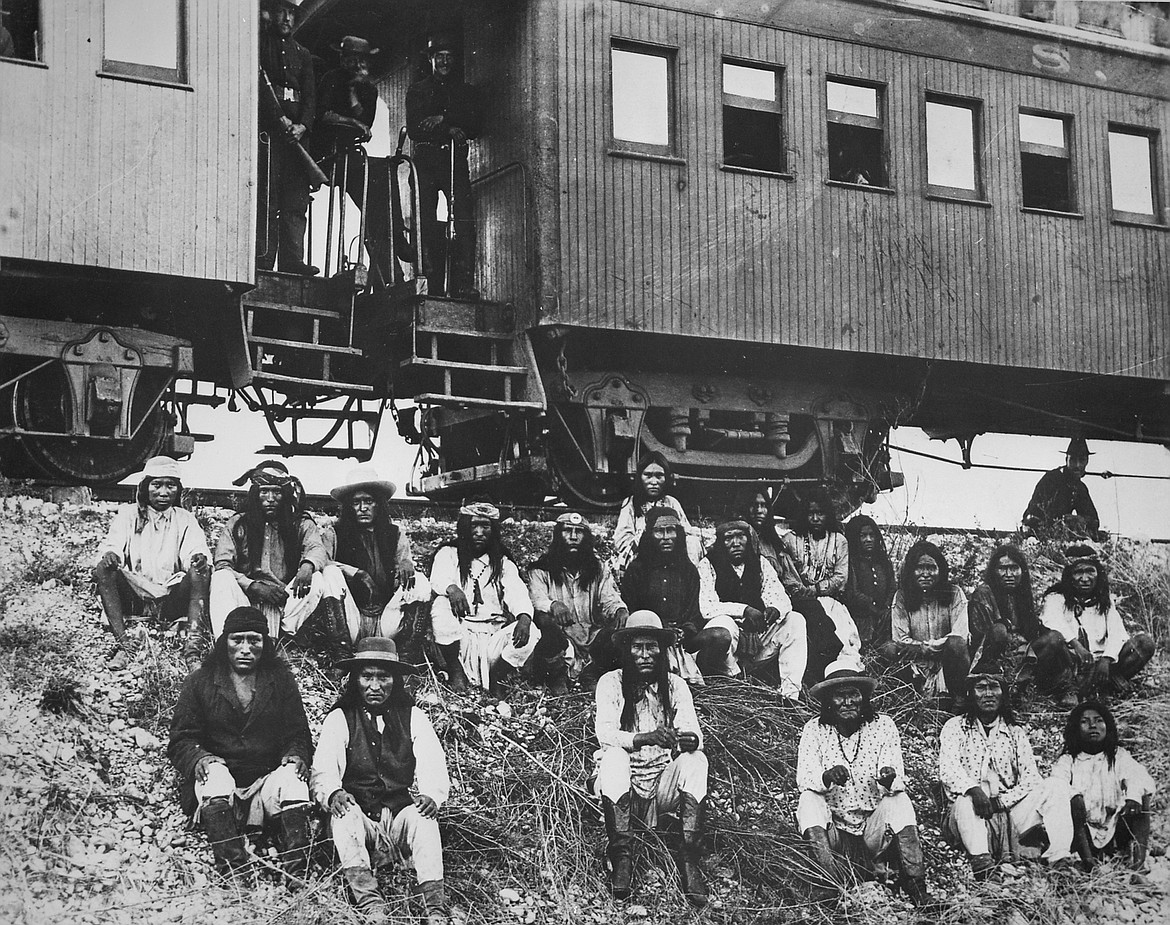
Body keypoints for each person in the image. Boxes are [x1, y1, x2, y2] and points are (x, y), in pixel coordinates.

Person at [168, 607, 314, 883]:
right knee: (213, 777)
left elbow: (299, 734)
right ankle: (234, 871)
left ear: (265, 644)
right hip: (224, 783)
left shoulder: (281, 681)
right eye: (237, 640)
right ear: (224, 643)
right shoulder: (199, 682)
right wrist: (199, 759)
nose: (246, 648)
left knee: (294, 779)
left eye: (254, 640)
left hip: (266, 782)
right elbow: (181, 740)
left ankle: (299, 875)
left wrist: (297, 755)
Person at [311, 637, 450, 925]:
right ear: (355, 680)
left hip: (397, 817)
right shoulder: (340, 718)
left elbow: (432, 762)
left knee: (424, 819)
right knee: (344, 815)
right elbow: (323, 768)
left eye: (383, 677)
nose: (375, 686)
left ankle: (434, 908)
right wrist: (333, 792)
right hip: (361, 817)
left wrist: (431, 795)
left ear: (395, 681)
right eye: (367, 677)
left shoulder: (413, 717)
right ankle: (370, 903)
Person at [592, 611, 710, 907]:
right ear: (626, 650)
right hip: (624, 788)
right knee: (614, 756)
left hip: (661, 787)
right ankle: (622, 857)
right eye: (637, 648)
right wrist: (643, 738)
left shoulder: (675, 686)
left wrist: (687, 740)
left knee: (697, 759)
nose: (645, 655)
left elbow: (693, 730)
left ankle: (688, 859)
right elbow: (604, 733)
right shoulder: (610, 682)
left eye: (652, 647)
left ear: (662, 650)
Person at [796, 658, 930, 905]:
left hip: (872, 829)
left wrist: (888, 779)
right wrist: (826, 777)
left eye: (853, 694)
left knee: (899, 800)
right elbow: (804, 779)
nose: (847, 702)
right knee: (807, 800)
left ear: (864, 698)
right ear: (828, 701)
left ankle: (916, 885)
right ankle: (827, 883)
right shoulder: (814, 729)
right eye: (839, 696)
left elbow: (898, 779)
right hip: (834, 832)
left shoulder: (883, 726)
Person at [938, 667, 1078, 878]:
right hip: (971, 816)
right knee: (963, 801)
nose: (988, 694)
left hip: (1009, 814)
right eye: (981, 688)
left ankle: (1059, 859)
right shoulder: (955, 727)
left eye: (994, 687)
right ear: (970, 694)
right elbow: (949, 770)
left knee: (1055, 786)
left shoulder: (1015, 732)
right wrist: (974, 790)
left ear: (1002, 694)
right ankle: (982, 862)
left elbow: (1031, 778)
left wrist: (1002, 801)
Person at [210, 461, 350, 660]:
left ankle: (283, 639)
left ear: (285, 494)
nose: (270, 499)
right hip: (248, 600)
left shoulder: (300, 522)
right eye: (264, 492)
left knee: (318, 577)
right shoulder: (238, 523)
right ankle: (227, 642)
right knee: (221, 577)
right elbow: (223, 563)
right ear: (255, 494)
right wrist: (252, 586)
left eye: (276, 492)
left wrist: (307, 566)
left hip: (284, 600)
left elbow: (316, 548)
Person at [92, 456, 211, 665]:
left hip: (171, 598)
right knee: (104, 569)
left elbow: (194, 549)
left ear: (178, 490)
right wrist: (112, 555)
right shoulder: (128, 514)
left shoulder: (184, 518)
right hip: (135, 595)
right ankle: (123, 643)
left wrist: (197, 558)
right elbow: (113, 544)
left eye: (170, 486)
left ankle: (193, 646)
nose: (164, 492)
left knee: (201, 571)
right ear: (146, 487)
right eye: (157, 485)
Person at [428, 501, 539, 695]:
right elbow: (438, 578)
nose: (479, 532)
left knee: (532, 630)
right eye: (474, 525)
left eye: (485, 526)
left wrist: (523, 616)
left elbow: (516, 590)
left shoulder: (502, 562)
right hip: (460, 637)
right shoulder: (449, 553)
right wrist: (452, 589)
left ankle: (498, 676)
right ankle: (456, 671)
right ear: (464, 528)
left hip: (492, 637)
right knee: (440, 604)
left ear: (493, 530)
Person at [405, 34, 482, 297]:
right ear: (431, 59)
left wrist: (442, 119)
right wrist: (450, 125)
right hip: (426, 163)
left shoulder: (465, 91)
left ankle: (464, 284)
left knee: (463, 220)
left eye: (449, 57)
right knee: (425, 222)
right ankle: (428, 282)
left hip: (454, 162)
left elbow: (474, 124)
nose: (445, 61)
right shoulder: (417, 90)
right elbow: (416, 128)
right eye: (440, 57)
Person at [1033, 545, 1155, 707]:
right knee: (1053, 640)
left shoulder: (1104, 601)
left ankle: (1109, 679)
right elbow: (1054, 622)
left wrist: (1106, 659)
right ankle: (1068, 688)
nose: (1085, 578)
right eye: (1078, 572)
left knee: (1144, 643)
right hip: (1070, 663)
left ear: (1098, 573)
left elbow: (1117, 632)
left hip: (1100, 664)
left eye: (1090, 571)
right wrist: (1077, 646)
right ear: (1069, 575)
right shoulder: (1056, 598)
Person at [325, 466, 431, 650]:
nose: (363, 508)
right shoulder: (334, 533)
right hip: (352, 617)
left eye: (369, 501)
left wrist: (407, 563)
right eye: (356, 502)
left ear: (379, 504)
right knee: (329, 573)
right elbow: (323, 562)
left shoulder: (395, 533)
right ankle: (340, 652)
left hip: (386, 618)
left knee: (420, 581)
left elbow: (404, 568)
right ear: (349, 506)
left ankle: (407, 655)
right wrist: (357, 574)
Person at [697, 520, 806, 696]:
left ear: (749, 539)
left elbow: (781, 597)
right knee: (722, 622)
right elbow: (706, 607)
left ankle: (789, 693)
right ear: (720, 543)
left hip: (757, 643)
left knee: (794, 619)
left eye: (741, 536)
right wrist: (744, 610)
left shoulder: (760, 563)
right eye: (728, 538)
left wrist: (775, 609)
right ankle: (733, 679)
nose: (736, 543)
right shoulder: (707, 565)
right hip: (729, 650)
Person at [315, 35, 391, 282]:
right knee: (373, 187)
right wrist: (351, 121)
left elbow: (365, 127)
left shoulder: (368, 88)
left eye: (360, 60)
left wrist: (353, 93)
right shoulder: (330, 79)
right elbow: (324, 116)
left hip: (352, 155)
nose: (355, 64)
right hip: (330, 154)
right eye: (350, 58)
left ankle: (387, 268)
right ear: (342, 58)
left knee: (383, 184)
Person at [526, 512, 628, 694]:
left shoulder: (597, 569)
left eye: (579, 532)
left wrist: (619, 609)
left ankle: (593, 672)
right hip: (561, 637)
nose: (573, 537)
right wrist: (553, 605)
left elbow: (609, 597)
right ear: (558, 536)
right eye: (567, 531)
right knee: (544, 622)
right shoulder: (541, 569)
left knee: (618, 627)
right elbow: (536, 598)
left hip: (591, 635)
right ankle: (557, 675)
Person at [1052, 700, 1154, 872]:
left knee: (1141, 798)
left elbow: (1138, 776)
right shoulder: (1068, 761)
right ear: (1076, 729)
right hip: (1081, 832)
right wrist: (1074, 796)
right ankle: (1089, 863)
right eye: (1085, 722)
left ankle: (1138, 868)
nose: (1093, 726)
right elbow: (1057, 784)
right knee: (1072, 800)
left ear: (1108, 726)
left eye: (1099, 720)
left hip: (1113, 828)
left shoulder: (1118, 756)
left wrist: (1132, 797)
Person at [257, 0, 318, 276]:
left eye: (292, 13)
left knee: (295, 201)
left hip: (296, 139)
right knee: (267, 198)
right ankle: (264, 259)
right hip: (270, 135)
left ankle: (293, 261)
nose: (288, 19)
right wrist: (276, 118)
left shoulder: (303, 54)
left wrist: (302, 126)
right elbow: (258, 86)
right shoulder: (261, 45)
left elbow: (310, 96)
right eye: (283, 11)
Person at [780, 488, 861, 685]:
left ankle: (841, 683)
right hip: (800, 602)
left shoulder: (839, 541)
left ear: (828, 514)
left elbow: (841, 577)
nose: (815, 518)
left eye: (820, 513)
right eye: (810, 513)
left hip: (830, 601)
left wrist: (817, 589)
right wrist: (803, 591)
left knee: (841, 642)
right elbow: (788, 575)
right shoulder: (790, 539)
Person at [620, 506, 710, 682]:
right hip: (648, 637)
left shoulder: (688, 570)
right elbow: (631, 609)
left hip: (681, 638)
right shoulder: (637, 570)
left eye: (671, 531)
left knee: (718, 636)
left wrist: (685, 630)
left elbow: (695, 611)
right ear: (649, 535)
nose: (666, 537)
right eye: (659, 532)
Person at [881, 540, 970, 702]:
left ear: (940, 570)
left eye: (931, 568)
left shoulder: (954, 593)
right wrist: (921, 648)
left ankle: (959, 699)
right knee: (890, 649)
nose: (925, 573)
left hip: (947, 660)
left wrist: (929, 646)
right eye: (919, 568)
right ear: (910, 571)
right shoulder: (902, 596)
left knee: (956, 644)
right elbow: (900, 638)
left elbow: (960, 634)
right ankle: (906, 699)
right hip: (916, 662)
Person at [611, 453, 704, 577]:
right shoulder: (631, 503)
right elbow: (622, 539)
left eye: (659, 476)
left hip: (671, 554)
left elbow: (685, 532)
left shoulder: (671, 502)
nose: (653, 482)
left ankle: (689, 582)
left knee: (692, 542)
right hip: (644, 557)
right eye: (648, 476)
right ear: (640, 477)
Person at [967, 545, 1041, 674]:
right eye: (1002, 569)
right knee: (999, 629)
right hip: (994, 655)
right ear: (993, 571)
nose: (1008, 575)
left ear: (1021, 570)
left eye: (1014, 568)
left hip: (1023, 650)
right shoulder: (984, 593)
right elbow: (985, 636)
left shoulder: (1022, 593)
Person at [1022, 437, 1100, 539]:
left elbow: (1094, 520)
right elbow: (1034, 514)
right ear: (1066, 460)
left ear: (1087, 462)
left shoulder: (1080, 488)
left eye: (1082, 460)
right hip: (1037, 534)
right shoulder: (1051, 479)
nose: (1077, 465)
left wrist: (1079, 519)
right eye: (1072, 460)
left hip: (1061, 536)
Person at [842, 515, 895, 651]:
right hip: (860, 618)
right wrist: (872, 606)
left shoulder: (883, 562)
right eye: (863, 536)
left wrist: (886, 607)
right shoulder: (851, 563)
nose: (868, 539)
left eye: (872, 535)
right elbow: (853, 592)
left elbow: (892, 587)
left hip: (884, 617)